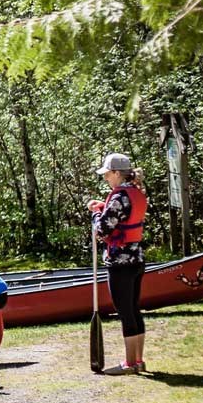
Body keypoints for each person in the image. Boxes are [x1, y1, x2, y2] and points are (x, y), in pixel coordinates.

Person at [89, 153, 149, 375]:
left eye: (107, 174)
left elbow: (102, 229)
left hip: (120, 262)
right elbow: (123, 216)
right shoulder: (136, 192)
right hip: (137, 259)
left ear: (116, 173)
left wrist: (96, 212)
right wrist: (104, 205)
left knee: (125, 311)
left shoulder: (118, 197)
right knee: (134, 309)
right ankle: (139, 360)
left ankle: (129, 363)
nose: (106, 179)